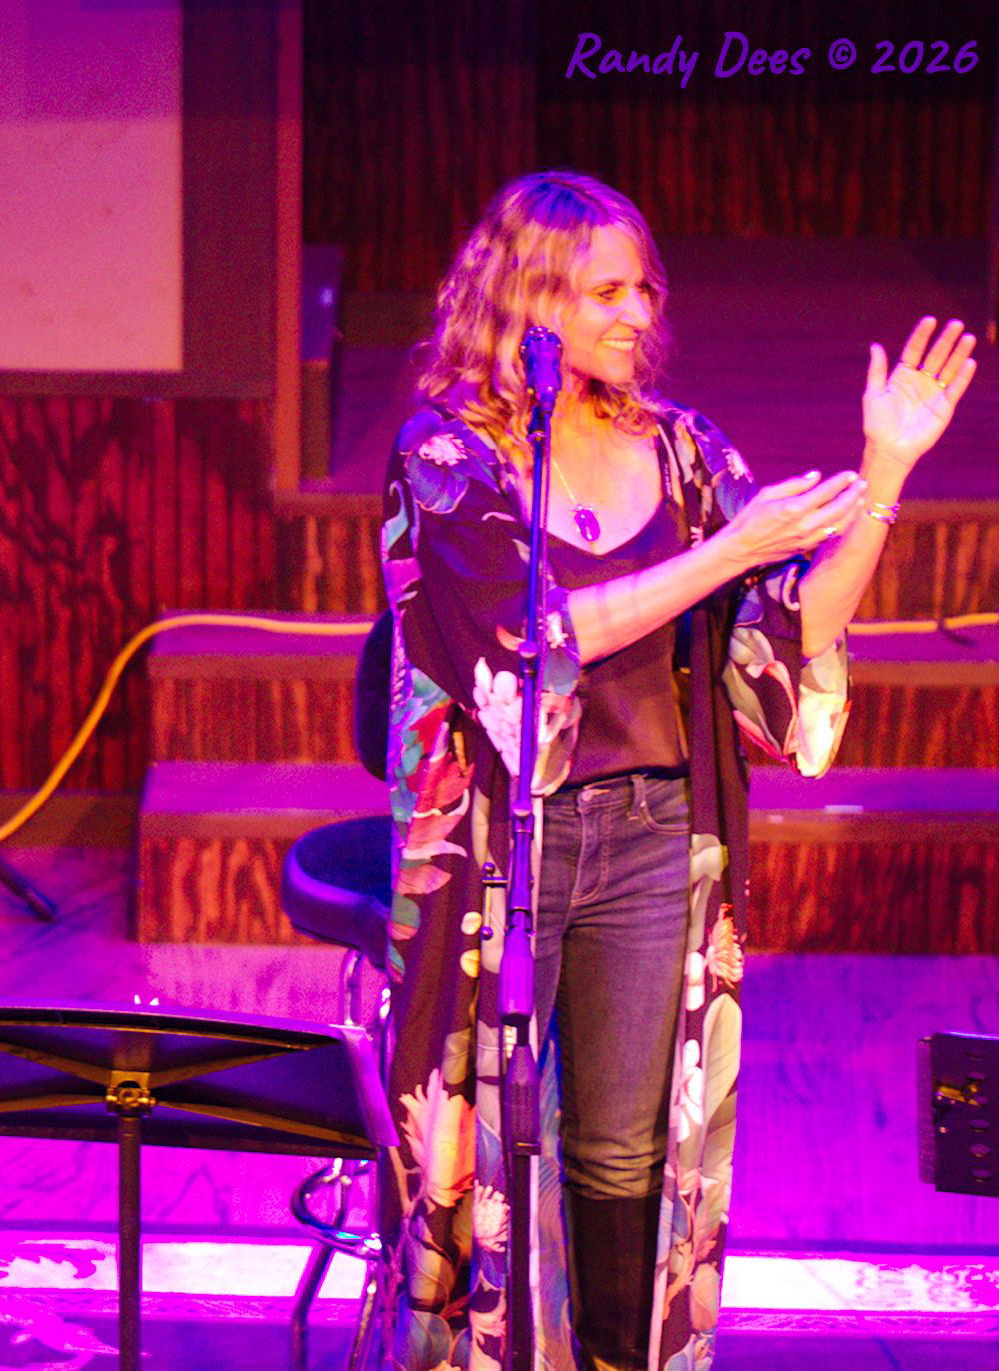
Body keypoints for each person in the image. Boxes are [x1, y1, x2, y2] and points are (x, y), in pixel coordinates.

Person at [377, 171, 974, 1371]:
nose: (637, 312)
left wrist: (886, 471)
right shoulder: (446, 455)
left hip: (657, 836)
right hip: (507, 847)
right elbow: (526, 639)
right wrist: (731, 556)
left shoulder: (686, 451)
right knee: (473, 1144)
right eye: (605, 291)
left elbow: (792, 617)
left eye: (645, 287)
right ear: (528, 299)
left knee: (623, 1153)